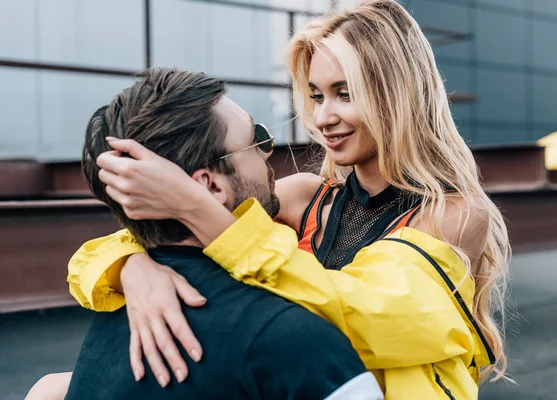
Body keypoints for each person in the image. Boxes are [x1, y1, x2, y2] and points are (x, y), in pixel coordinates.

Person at [42, 0, 511, 398]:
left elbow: (364, 318)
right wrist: (134, 268)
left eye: (344, 93)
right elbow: (129, 244)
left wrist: (200, 211)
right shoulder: (305, 197)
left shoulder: (453, 213)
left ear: (397, 95)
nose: (324, 116)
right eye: (316, 95)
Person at [27, 68, 383, 400]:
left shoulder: (113, 317)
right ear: (210, 187)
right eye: (255, 139)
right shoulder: (297, 339)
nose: (267, 150)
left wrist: (128, 264)